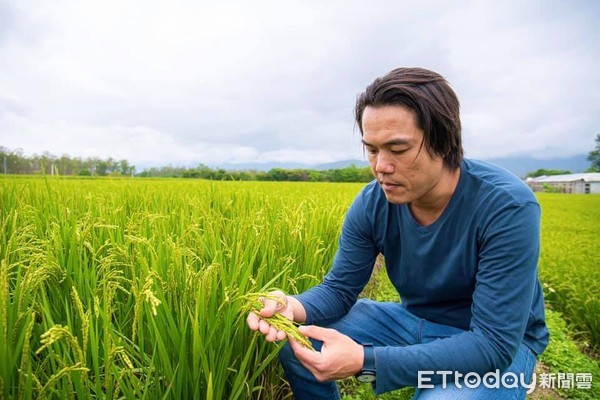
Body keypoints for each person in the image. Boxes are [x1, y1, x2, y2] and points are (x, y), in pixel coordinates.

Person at [246, 67, 549, 399]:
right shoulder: (373, 202)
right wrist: (291, 306)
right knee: (299, 343)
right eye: (372, 150)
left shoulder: (505, 206)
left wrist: (366, 361)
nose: (381, 167)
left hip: (491, 341)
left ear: (444, 141)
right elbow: (339, 289)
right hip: (414, 320)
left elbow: (492, 344)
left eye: (398, 149)